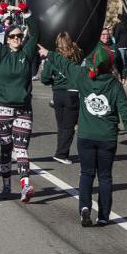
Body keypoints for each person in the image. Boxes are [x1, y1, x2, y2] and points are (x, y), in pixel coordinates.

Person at [70, 36, 127, 227]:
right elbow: (126, 110)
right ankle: (103, 215)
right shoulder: (114, 85)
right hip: (107, 137)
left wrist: (50, 54)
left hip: (86, 135)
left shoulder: (82, 78)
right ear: (110, 65)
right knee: (105, 177)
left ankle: (84, 207)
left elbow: (65, 65)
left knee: (86, 174)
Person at [0, 21, 37, 200]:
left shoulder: (27, 52)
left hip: (23, 108)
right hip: (1, 108)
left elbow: (37, 32)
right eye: (12, 36)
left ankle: (25, 185)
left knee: (21, 148)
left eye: (19, 36)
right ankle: (6, 184)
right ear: (7, 40)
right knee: (6, 147)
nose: (16, 38)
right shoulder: (1, 53)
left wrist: (28, 15)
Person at [41, 32, 82, 164]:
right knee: (69, 126)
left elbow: (44, 78)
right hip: (72, 93)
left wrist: (53, 80)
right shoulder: (76, 55)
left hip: (58, 94)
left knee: (62, 125)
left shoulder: (53, 58)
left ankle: (61, 152)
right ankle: (61, 154)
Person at [111, 14, 127, 80]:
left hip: (120, 45)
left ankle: (123, 73)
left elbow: (116, 35)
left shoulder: (119, 25)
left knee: (122, 60)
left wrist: (116, 42)